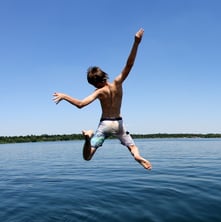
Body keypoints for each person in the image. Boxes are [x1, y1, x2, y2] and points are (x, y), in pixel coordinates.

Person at [53, 28, 152, 170]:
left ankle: (88, 138)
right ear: (104, 76)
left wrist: (64, 96)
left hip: (105, 125)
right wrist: (136, 43)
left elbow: (80, 104)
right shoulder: (118, 83)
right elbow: (129, 65)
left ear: (94, 83)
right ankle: (136, 156)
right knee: (132, 146)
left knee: (87, 157)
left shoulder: (99, 92)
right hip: (119, 124)